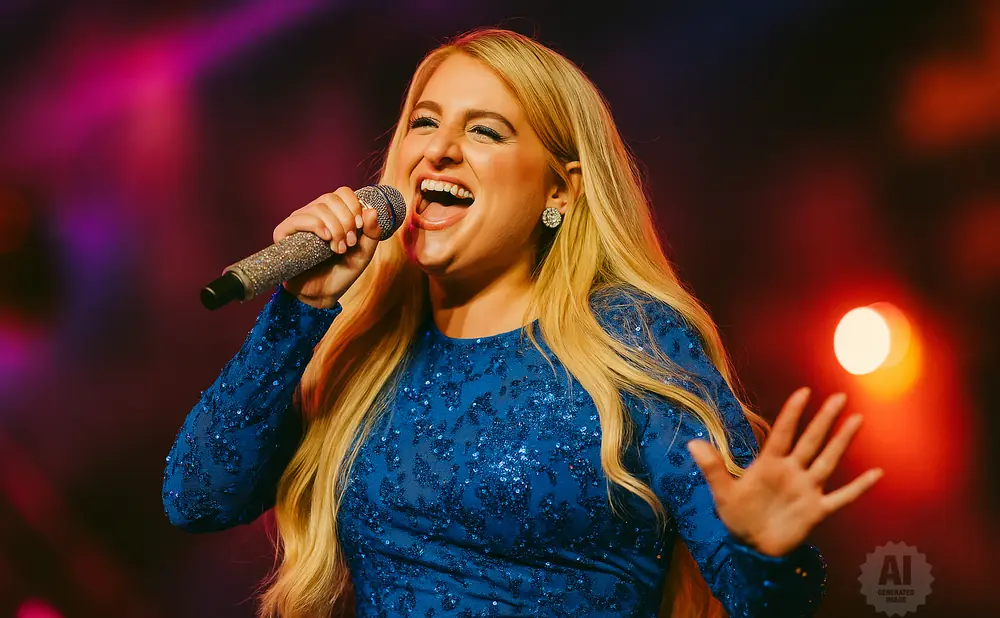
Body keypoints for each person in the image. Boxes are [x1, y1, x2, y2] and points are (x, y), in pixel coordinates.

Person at [162, 28, 883, 618]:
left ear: (560, 193)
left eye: (486, 131)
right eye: (424, 120)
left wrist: (763, 546)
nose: (438, 148)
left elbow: (771, 598)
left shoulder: (627, 340)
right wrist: (303, 308)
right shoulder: (367, 349)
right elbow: (197, 497)